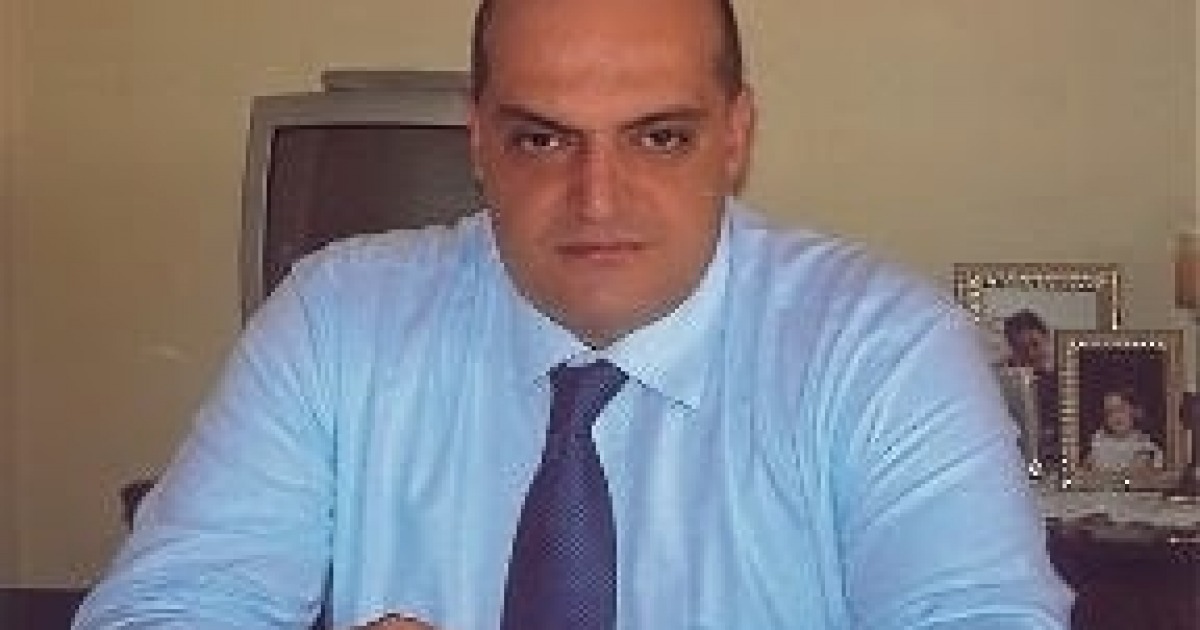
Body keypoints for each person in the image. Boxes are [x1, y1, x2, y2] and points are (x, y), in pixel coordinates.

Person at [74, 0, 1071, 627]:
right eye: (543, 140)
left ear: (736, 137)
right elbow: (168, 604)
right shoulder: (336, 320)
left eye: (659, 138)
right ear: (477, 140)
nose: (598, 200)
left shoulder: (883, 350)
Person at [1087, 387, 1163, 471]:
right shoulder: (1098, 442)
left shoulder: (1145, 444)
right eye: (1110, 412)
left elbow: (1157, 470)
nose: (1116, 417)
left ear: (1134, 411)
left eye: (1121, 409)